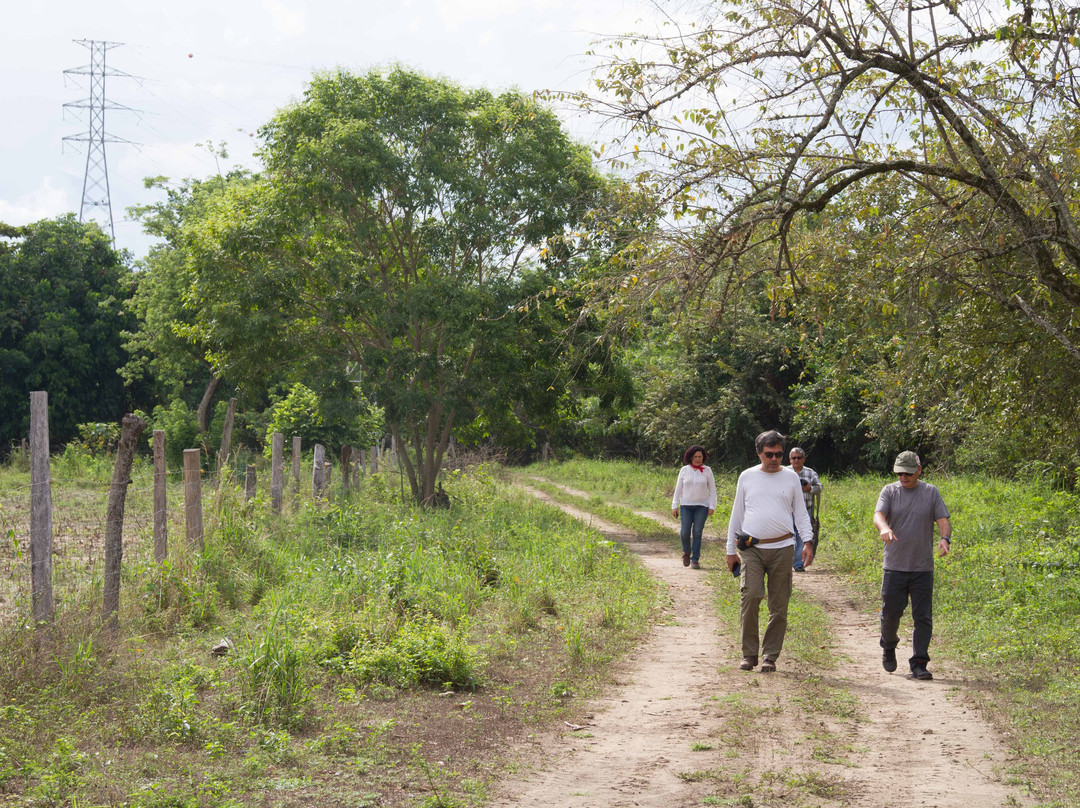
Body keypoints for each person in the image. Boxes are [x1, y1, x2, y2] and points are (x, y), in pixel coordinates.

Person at [726, 430, 814, 672]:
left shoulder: (790, 478)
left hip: (783, 549)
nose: (774, 459)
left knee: (779, 605)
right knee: (751, 596)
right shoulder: (747, 476)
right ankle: (749, 654)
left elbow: (800, 513)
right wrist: (729, 550)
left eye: (778, 454)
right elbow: (737, 513)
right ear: (759, 453)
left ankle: (770, 656)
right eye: (769, 454)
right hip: (752, 548)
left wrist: (808, 543)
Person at [873, 451, 952, 681]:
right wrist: (884, 528)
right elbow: (879, 514)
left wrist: (945, 539)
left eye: (908, 472)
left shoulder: (930, 492)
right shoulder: (889, 491)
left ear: (919, 470)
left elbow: (943, 521)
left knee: (923, 617)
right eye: (899, 472)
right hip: (895, 566)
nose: (903, 477)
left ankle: (919, 663)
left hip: (922, 568)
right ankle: (888, 645)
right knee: (890, 614)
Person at [671, 445, 717, 570]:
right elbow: (678, 488)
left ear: (703, 458)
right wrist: (674, 505)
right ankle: (686, 552)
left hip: (702, 506)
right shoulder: (684, 470)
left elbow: (712, 490)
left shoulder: (707, 470)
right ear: (690, 457)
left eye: (700, 457)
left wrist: (712, 505)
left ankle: (695, 559)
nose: (698, 459)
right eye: (695, 457)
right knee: (685, 532)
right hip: (686, 505)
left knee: (697, 532)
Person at [787, 447, 822, 572]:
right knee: (789, 536)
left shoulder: (810, 473)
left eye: (799, 458)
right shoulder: (784, 472)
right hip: (787, 510)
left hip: (806, 509)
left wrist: (809, 488)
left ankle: (798, 564)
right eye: (794, 458)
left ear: (804, 459)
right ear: (790, 459)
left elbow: (819, 487)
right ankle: (787, 561)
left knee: (803, 536)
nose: (796, 460)